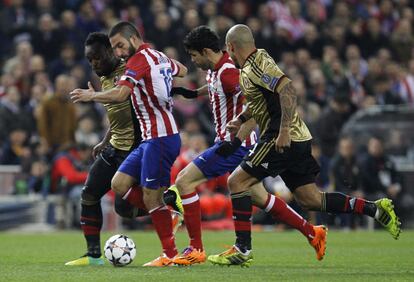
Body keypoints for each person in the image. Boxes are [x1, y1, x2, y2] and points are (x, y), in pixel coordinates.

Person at [208, 24, 401, 267]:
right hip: (295, 138)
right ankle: (374, 209)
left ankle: (242, 249)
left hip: (281, 136)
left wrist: (284, 130)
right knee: (310, 200)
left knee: (236, 182)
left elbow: (287, 89)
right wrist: (242, 119)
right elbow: (263, 100)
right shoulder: (253, 66)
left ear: (231, 47)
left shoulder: (257, 64)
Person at [170, 26, 327, 266]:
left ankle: (196, 249)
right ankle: (312, 232)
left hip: (236, 144)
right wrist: (192, 94)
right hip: (237, 144)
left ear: (204, 51)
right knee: (259, 196)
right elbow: (215, 89)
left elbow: (255, 103)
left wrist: (234, 142)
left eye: (193, 55)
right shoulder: (216, 70)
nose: (192, 61)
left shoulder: (228, 72)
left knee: (183, 181)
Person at [70, 22, 187, 267]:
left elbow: (129, 101)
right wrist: (105, 139)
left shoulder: (132, 68)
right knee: (89, 194)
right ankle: (93, 257)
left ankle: (167, 202)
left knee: (126, 208)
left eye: (98, 58)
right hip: (114, 147)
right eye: (90, 60)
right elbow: (119, 113)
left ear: (113, 51)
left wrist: (92, 97)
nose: (94, 64)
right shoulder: (105, 78)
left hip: (138, 146)